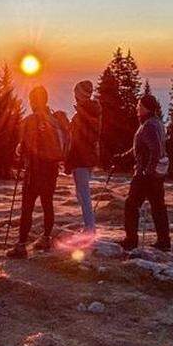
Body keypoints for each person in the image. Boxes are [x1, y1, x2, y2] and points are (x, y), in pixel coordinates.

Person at [6, 85, 65, 259]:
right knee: (48, 205)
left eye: (31, 100)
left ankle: (21, 246)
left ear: (33, 101)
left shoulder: (31, 120)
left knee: (27, 208)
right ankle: (46, 238)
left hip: (34, 171)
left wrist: (20, 152)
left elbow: (25, 147)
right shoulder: (54, 120)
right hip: (51, 171)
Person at [119, 93, 171, 252]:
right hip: (157, 174)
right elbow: (141, 148)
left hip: (145, 174)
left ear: (146, 108)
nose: (136, 108)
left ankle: (131, 240)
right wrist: (122, 157)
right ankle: (164, 241)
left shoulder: (148, 126)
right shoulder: (157, 123)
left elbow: (154, 150)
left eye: (139, 106)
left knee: (131, 205)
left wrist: (146, 172)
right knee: (158, 207)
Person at [64, 80, 101, 239]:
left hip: (80, 158)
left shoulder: (83, 114)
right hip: (89, 157)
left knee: (83, 194)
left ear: (80, 94)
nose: (74, 96)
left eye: (76, 93)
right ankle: (89, 225)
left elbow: (76, 139)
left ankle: (90, 228)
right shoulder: (94, 111)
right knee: (82, 193)